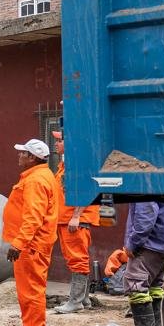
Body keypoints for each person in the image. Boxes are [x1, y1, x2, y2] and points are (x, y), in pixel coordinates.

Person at [2, 138, 59, 326]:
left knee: (31, 291)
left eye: (23, 153)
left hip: (31, 245)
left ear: (32, 158)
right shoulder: (40, 176)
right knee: (30, 290)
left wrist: (18, 244)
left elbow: (33, 217)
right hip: (34, 243)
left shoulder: (35, 181)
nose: (19, 156)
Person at [51, 129, 100, 314]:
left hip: (74, 220)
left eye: (59, 140)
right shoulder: (67, 164)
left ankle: (76, 301)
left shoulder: (76, 164)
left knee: (77, 259)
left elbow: (85, 190)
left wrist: (76, 216)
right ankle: (84, 299)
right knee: (77, 259)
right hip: (68, 219)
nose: (55, 144)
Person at [119, 201, 164, 326]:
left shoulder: (144, 183)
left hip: (149, 244)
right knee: (154, 287)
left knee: (135, 283)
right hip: (162, 243)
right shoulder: (160, 181)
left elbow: (145, 217)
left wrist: (133, 243)